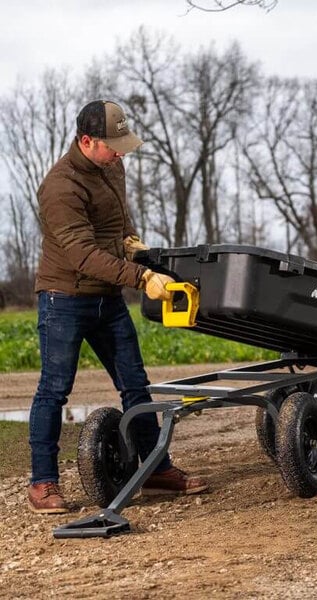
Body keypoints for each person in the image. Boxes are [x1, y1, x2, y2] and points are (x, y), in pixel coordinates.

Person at [28, 100, 208, 514]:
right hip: (65, 299)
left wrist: (133, 242)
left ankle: (157, 471)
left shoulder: (112, 167)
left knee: (135, 384)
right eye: (113, 145)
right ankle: (43, 484)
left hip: (106, 298)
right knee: (54, 391)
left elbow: (118, 219)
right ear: (86, 141)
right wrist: (142, 278)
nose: (120, 152)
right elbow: (83, 256)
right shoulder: (59, 187)